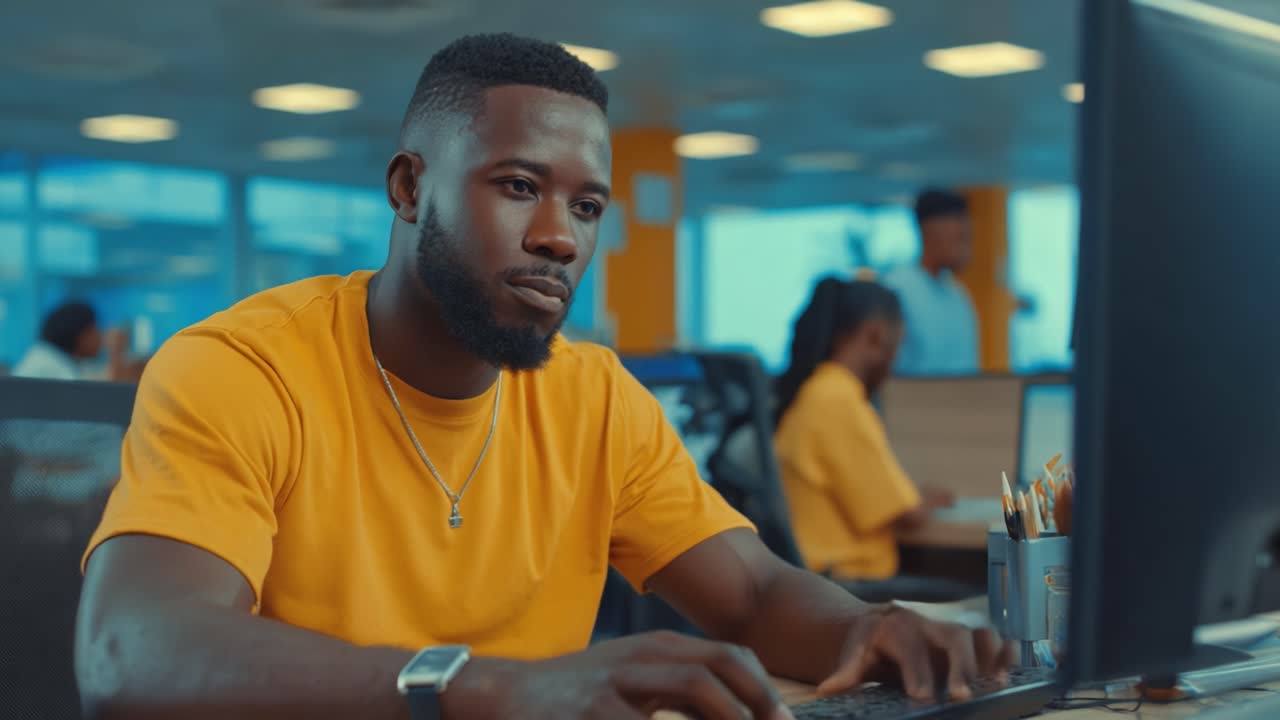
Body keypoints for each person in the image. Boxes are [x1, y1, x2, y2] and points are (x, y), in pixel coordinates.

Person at [75, 35, 1010, 720]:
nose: (561, 238)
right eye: (519, 186)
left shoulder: (592, 396)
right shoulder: (245, 367)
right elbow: (130, 653)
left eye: (588, 205)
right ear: (409, 189)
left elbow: (755, 594)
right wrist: (484, 687)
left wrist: (862, 628)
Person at [773, 278, 955, 581]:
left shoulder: (818, 391)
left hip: (828, 582)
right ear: (876, 335)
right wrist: (929, 502)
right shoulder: (838, 399)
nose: (896, 361)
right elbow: (907, 515)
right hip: (850, 584)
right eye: (898, 344)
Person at [881, 189, 979, 376]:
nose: (966, 250)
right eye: (959, 239)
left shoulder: (959, 295)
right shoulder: (896, 290)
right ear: (929, 231)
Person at [13, 301, 133, 381]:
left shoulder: (64, 359)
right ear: (79, 335)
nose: (100, 336)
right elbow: (98, 394)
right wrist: (115, 351)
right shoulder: (46, 364)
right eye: (94, 330)